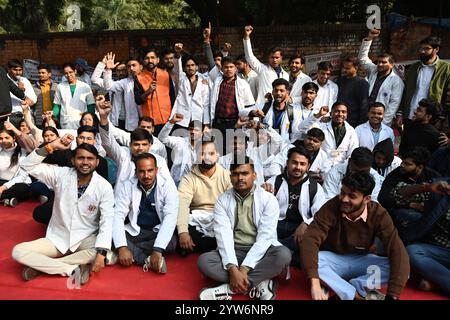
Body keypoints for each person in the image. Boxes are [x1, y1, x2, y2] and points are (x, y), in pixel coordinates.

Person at [13, 137, 115, 285]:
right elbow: (27, 166)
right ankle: (72, 269)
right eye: (80, 158)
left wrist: (101, 253)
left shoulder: (104, 186)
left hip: (85, 238)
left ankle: (42, 267)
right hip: (57, 239)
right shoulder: (61, 174)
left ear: (97, 162)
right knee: (18, 251)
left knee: (100, 251)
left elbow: (107, 219)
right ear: (73, 160)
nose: (85, 162)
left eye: (90, 159)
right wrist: (51, 146)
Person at [301, 172, 410, 300]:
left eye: (352, 196)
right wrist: (314, 284)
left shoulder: (378, 214)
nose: (344, 199)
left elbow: (396, 249)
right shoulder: (332, 206)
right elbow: (310, 239)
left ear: (367, 199)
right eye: (342, 193)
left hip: (362, 260)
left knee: (401, 269)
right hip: (334, 260)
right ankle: (355, 295)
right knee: (313, 260)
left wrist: (392, 296)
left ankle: (355, 285)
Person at [197, 161, 292, 300]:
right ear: (230, 177)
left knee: (283, 255)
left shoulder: (268, 199)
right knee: (204, 262)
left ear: (254, 176)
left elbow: (265, 237)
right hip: (235, 250)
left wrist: (243, 269)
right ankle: (259, 283)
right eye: (235, 174)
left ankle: (229, 289)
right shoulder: (223, 200)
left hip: (262, 251)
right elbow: (223, 236)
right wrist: (232, 268)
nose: (240, 178)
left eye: (245, 173)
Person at [112, 153, 178, 273]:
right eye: (141, 171)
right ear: (136, 172)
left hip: (156, 231)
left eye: (150, 171)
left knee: (172, 242)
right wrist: (122, 247)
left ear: (156, 170)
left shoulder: (167, 185)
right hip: (137, 232)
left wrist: (157, 249)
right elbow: (118, 215)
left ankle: (131, 255)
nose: (146, 175)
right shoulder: (128, 185)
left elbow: (170, 217)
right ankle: (146, 260)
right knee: (112, 237)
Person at [32, 126, 110, 225]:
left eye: (89, 138)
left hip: (87, 204)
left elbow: (103, 188)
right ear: (77, 139)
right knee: (39, 213)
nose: (85, 141)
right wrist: (55, 144)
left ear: (94, 141)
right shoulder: (66, 154)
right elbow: (35, 161)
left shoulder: (101, 161)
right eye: (82, 138)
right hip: (64, 201)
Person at [262, 147, 326, 267]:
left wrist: (306, 223)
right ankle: (285, 254)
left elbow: (320, 213)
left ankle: (278, 252)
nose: (298, 167)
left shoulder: (315, 187)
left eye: (302, 164)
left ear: (308, 166)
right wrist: (261, 192)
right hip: (275, 224)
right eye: (294, 162)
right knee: (260, 235)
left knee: (310, 240)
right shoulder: (275, 181)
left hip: (298, 229)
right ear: (287, 163)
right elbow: (261, 207)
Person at [97, 95, 170, 187]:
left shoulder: (160, 161)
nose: (140, 148)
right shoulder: (123, 155)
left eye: (144, 144)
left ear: (150, 145)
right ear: (130, 144)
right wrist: (103, 117)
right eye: (136, 144)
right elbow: (108, 143)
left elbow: (167, 187)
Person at [177, 140, 232, 256]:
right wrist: (183, 232)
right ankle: (211, 245)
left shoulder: (226, 175)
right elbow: (182, 205)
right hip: (196, 219)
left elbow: (233, 204)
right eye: (202, 153)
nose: (207, 157)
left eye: (211, 154)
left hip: (219, 217)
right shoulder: (188, 178)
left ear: (217, 155)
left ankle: (197, 246)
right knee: (175, 224)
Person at [398, 180, 450, 296]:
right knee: (412, 252)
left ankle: (437, 283)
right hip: (435, 252)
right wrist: (426, 187)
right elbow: (395, 196)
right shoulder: (441, 187)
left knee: (424, 283)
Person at [396, 36, 450, 127]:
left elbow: (448, 96)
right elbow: (405, 91)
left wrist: (441, 117)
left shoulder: (446, 68)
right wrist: (400, 113)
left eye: (426, 49)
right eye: (421, 48)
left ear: (436, 49)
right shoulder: (413, 68)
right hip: (410, 116)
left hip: (431, 119)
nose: (422, 51)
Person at [378, 146, 441, 223]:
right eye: (402, 162)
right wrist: (410, 205)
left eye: (407, 164)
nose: (402, 165)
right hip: (400, 212)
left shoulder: (433, 177)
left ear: (420, 167)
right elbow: (383, 198)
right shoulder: (396, 174)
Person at [358, 29, 404, 126]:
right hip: (366, 113)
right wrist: (369, 39)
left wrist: (383, 123)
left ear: (391, 65)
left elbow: (394, 104)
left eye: (384, 62)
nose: (380, 64)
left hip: (381, 119)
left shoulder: (396, 81)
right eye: (378, 62)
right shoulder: (373, 69)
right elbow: (362, 59)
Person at [91, 53, 143, 131]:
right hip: (116, 120)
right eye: (118, 70)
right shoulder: (114, 83)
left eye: (123, 70)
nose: (121, 73)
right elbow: (94, 80)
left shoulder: (131, 82)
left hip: (134, 121)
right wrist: (103, 65)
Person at [297, 102, 359, 168]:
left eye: (343, 112)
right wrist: (318, 115)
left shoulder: (351, 131)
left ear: (346, 115)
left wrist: (343, 168)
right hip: (320, 166)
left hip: (341, 168)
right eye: (337, 111)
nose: (340, 114)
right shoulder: (322, 125)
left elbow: (352, 152)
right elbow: (301, 127)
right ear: (330, 113)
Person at [243, 25, 289, 104]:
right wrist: (246, 37)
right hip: (263, 108)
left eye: (277, 57)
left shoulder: (285, 74)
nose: (274, 60)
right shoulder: (262, 69)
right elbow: (249, 56)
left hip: (280, 108)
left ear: (281, 58)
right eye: (272, 57)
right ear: (268, 58)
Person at [264, 127, 330, 182]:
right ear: (305, 138)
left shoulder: (322, 155)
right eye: (309, 139)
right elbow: (277, 163)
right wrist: (278, 181)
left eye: (315, 141)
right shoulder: (290, 148)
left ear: (320, 144)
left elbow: (326, 173)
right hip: (286, 181)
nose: (311, 142)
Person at [134, 49, 175, 135]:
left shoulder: (166, 74)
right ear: (143, 61)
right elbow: (138, 100)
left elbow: (172, 97)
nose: (150, 61)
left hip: (168, 120)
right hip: (150, 123)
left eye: (152, 58)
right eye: (147, 58)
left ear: (158, 60)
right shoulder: (139, 77)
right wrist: (149, 91)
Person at [158, 114, 203, 186]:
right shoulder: (179, 142)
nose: (193, 132)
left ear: (202, 133)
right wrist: (171, 122)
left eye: (196, 130)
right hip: (177, 182)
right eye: (191, 129)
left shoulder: (205, 147)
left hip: (197, 183)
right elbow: (162, 138)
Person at [169, 55, 210, 128]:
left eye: (192, 65)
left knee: (196, 139)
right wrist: (177, 54)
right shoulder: (181, 79)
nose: (190, 68)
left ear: (196, 67)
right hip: (182, 119)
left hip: (198, 118)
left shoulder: (203, 82)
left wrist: (206, 123)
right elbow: (177, 69)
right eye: (188, 66)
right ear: (184, 68)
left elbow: (206, 104)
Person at [53, 63, 96, 129]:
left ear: (75, 71)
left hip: (82, 121)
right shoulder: (60, 87)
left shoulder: (85, 86)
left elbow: (91, 106)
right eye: (66, 73)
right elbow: (56, 106)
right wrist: (54, 119)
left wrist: (90, 120)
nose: (68, 75)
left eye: (70, 72)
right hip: (66, 121)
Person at [0, 128, 31, 207]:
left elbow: (22, 176)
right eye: (1, 138)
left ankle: (5, 197)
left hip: (17, 183)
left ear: (14, 138)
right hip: (1, 182)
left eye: (7, 138)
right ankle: (7, 199)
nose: (3, 140)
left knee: (22, 189)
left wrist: (4, 187)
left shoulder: (23, 152)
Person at [336, 56, 369, 127]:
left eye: (347, 68)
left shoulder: (362, 83)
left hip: (354, 123)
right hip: (340, 121)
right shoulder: (340, 81)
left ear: (356, 68)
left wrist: (361, 125)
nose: (344, 70)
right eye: (343, 68)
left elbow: (364, 106)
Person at [6, 59, 38, 128]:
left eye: (20, 70)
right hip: (9, 117)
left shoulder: (25, 81)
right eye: (15, 70)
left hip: (24, 116)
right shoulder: (4, 81)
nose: (18, 73)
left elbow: (33, 101)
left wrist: (23, 90)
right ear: (9, 69)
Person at [33, 64, 58, 128]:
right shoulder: (33, 88)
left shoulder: (57, 87)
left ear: (49, 74)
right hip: (40, 119)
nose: (40, 75)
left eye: (43, 73)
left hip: (54, 119)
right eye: (39, 73)